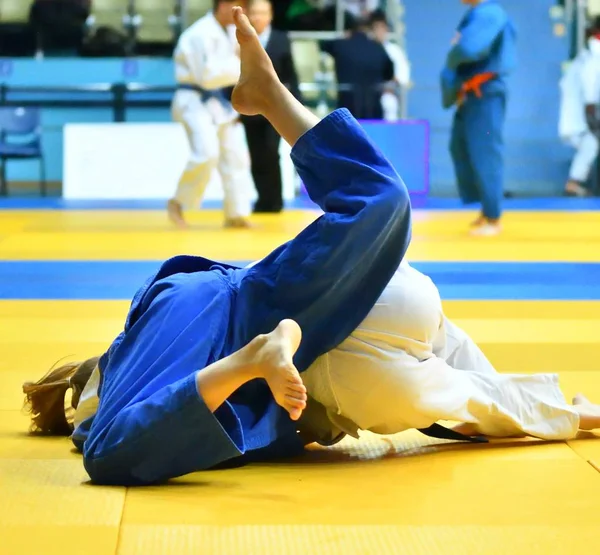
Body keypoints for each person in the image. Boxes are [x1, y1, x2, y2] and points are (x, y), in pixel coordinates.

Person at [22, 6, 413, 486]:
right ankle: (267, 96)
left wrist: (250, 366)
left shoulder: (113, 388)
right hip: (254, 314)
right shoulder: (143, 394)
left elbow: (111, 440)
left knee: (109, 451)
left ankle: (269, 95)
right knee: (382, 201)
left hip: (216, 311)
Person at [167, 0, 254, 229]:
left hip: (218, 101)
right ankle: (178, 202)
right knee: (206, 154)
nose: (241, 12)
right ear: (223, 5)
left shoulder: (226, 31)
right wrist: (242, 65)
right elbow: (206, 76)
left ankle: (236, 213)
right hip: (194, 100)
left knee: (235, 154)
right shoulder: (199, 34)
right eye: (237, 6)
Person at [441, 0, 516, 236]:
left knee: (485, 152)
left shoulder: (490, 12)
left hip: (485, 94)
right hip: (471, 95)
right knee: (460, 147)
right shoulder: (475, 14)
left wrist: (454, 53)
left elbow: (468, 48)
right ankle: (486, 211)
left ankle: (494, 218)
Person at [241, 0, 302, 213]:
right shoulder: (241, 38)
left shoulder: (280, 39)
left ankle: (275, 200)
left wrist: (296, 103)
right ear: (248, 14)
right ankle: (261, 199)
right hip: (249, 108)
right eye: (254, 12)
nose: (258, 17)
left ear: (270, 15)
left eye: (262, 13)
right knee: (255, 153)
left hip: (274, 107)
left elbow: (291, 74)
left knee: (270, 152)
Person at [321, 17, 394, 120]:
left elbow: (323, 45)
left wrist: (343, 38)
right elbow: (389, 73)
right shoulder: (378, 48)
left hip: (346, 109)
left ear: (349, 31)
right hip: (373, 109)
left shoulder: (341, 45)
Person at [559, 17, 600, 198]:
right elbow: (589, 81)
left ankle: (574, 182)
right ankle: (573, 183)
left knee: (590, 144)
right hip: (583, 108)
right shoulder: (594, 52)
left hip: (584, 106)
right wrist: (590, 109)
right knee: (590, 143)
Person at [370, 10, 411, 122]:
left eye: (381, 28)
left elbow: (402, 77)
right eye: (376, 28)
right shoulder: (367, 50)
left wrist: (388, 85)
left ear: (386, 29)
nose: (379, 32)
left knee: (389, 104)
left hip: (389, 97)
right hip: (368, 98)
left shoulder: (394, 51)